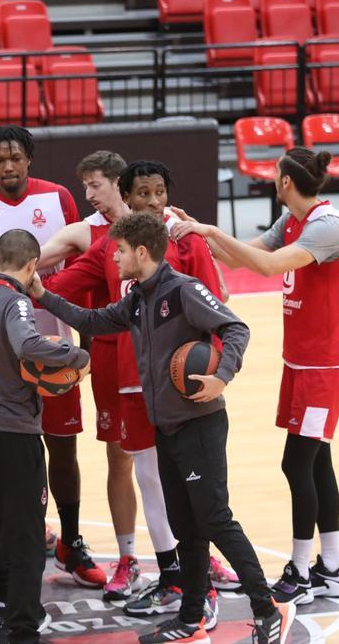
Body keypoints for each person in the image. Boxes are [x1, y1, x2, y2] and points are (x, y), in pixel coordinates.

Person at [30, 212, 294, 644]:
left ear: (140, 252)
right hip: (167, 427)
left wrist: (222, 376)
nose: (112, 258)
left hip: (200, 424)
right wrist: (43, 294)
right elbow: (94, 323)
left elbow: (235, 327)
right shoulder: (137, 298)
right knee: (184, 524)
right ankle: (191, 617)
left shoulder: (183, 290)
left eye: (118, 250)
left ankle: (269, 609)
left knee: (214, 519)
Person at [46, 160, 237, 620]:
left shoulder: (187, 240)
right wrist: (19, 286)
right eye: (143, 194)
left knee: (190, 482)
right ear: (126, 198)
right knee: (151, 478)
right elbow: (62, 286)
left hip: (182, 384)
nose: (152, 201)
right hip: (134, 381)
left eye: (159, 192)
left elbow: (218, 309)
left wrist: (210, 376)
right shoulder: (114, 246)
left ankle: (194, 576)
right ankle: (173, 574)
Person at [170, 148, 339, 606]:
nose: (273, 181)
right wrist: (195, 230)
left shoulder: (327, 226)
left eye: (275, 175)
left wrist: (209, 231)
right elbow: (241, 257)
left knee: (296, 463)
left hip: (325, 364)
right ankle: (332, 567)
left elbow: (270, 267)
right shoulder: (291, 221)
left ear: (286, 182)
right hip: (301, 360)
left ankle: (301, 569)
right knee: (316, 462)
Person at [0, 229, 91, 644]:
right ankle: (23, 631)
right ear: (33, 267)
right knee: (26, 540)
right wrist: (75, 356)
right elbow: (28, 343)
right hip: (12, 437)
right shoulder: (16, 302)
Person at [0, 125, 104, 587]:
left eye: (15, 157)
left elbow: (84, 273)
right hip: (0, 353)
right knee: (11, 454)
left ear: (29, 159)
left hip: (52, 347)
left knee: (63, 446)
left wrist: (86, 341)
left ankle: (70, 541)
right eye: (0, 159)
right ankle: (14, 546)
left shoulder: (58, 199)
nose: (8, 166)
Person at [35, 151, 146, 600]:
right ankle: (128, 557)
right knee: (121, 459)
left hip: (157, 362)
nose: (88, 195)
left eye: (95, 185)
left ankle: (192, 553)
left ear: (119, 183)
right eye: (84, 186)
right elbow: (37, 263)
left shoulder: (158, 229)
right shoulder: (88, 235)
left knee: (173, 464)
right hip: (108, 357)